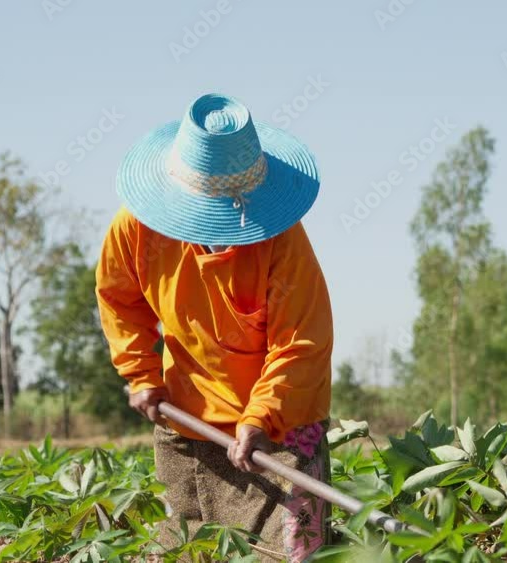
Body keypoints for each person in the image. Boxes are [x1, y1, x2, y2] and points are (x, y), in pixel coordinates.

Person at [95, 93, 333, 561]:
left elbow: (300, 343)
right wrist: (141, 373)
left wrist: (260, 417)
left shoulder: (283, 243)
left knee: (292, 554)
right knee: (188, 551)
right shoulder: (137, 229)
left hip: (281, 432)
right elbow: (118, 297)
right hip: (186, 423)